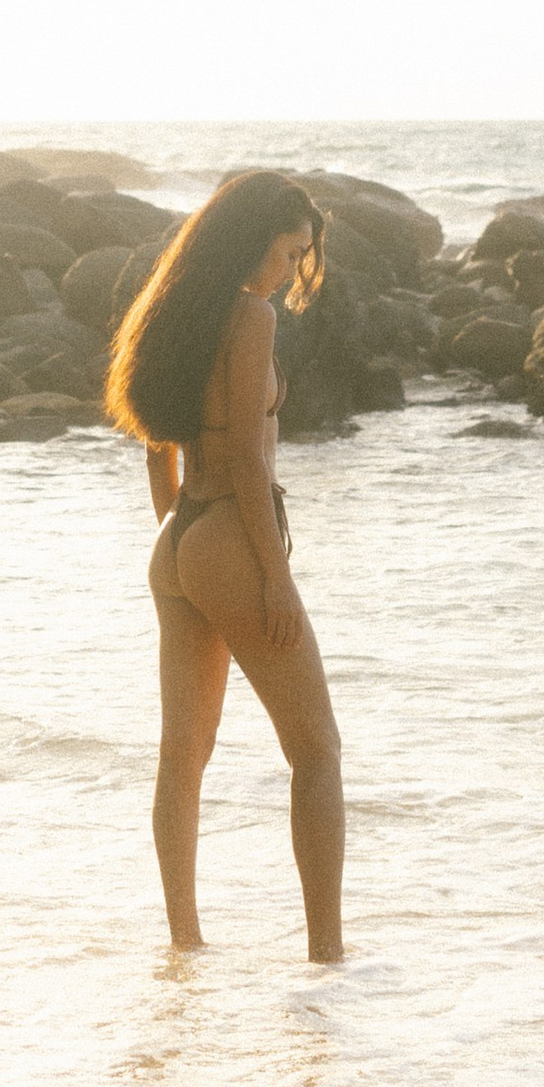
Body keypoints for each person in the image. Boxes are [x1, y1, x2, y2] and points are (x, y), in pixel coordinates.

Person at [106, 170, 345, 964]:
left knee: (182, 754)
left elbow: (156, 437)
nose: (289, 269)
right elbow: (247, 452)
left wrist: (183, 541)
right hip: (232, 544)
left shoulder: (177, 307)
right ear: (256, 240)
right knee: (317, 751)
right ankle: (328, 958)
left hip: (177, 543)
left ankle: (186, 945)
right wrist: (272, 576)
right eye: (288, 251)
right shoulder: (248, 316)